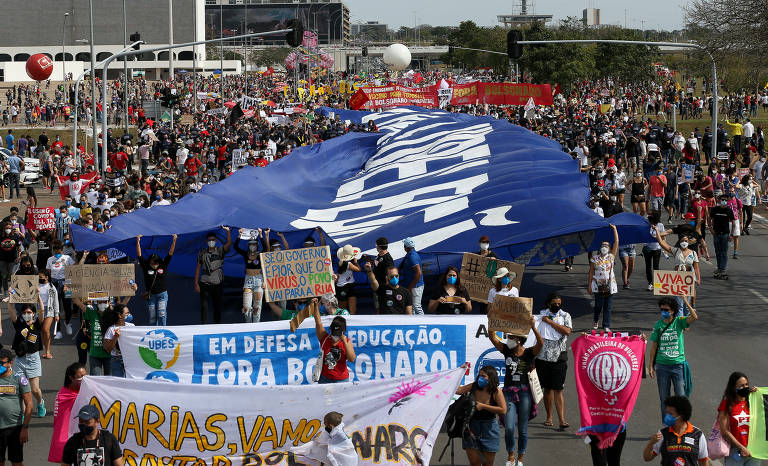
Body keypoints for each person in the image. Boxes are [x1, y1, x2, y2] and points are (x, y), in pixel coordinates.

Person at [488, 316, 542, 466]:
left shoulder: (529, 353)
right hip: (508, 394)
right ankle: (510, 455)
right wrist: (491, 320)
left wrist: (533, 327)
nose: (508, 339)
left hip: (524, 393)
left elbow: (541, 343)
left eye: (510, 337)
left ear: (518, 339)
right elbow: (492, 337)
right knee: (510, 427)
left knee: (523, 428)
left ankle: (520, 459)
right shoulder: (507, 350)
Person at [649, 297, 699, 421]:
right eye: (661, 309)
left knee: (681, 399)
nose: (663, 312)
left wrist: (685, 300)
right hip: (662, 367)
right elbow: (654, 346)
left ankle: (681, 425)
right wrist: (650, 366)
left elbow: (694, 317)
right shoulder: (658, 325)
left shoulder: (679, 321)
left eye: (666, 309)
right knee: (664, 399)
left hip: (678, 366)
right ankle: (666, 426)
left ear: (672, 311)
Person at [456, 366, 507, 466]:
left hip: (489, 429)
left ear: (491, 377)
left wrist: (483, 406)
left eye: (483, 376)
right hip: (472, 428)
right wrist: (460, 373)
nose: (480, 378)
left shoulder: (496, 391)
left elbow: (503, 410)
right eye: (479, 375)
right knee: (474, 462)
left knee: (488, 464)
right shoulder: (474, 386)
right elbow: (458, 390)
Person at [536, 293, 573, 430]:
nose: (557, 306)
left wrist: (550, 322)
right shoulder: (541, 315)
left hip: (559, 358)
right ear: (548, 304)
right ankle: (549, 417)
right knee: (548, 389)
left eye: (559, 303)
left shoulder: (565, 316)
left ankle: (562, 420)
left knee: (558, 389)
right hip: (543, 357)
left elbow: (567, 331)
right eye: (554, 303)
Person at [643, 396, 709, 465]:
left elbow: (703, 461)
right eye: (666, 413)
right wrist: (651, 443)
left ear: (682, 415)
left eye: (671, 414)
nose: (667, 416)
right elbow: (647, 458)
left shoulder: (697, 435)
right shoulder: (662, 434)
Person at [717, 372, 760, 465]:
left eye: (746, 384)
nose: (745, 387)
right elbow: (724, 431)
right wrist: (741, 447)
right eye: (741, 386)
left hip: (754, 450)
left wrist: (759, 395)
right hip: (735, 451)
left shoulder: (753, 400)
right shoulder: (727, 403)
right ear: (733, 388)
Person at [655, 228, 701, 312]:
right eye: (683, 241)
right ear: (679, 242)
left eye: (686, 241)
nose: (684, 242)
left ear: (689, 242)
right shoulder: (675, 251)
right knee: (679, 304)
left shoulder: (693, 253)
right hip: (678, 280)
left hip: (688, 280)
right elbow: (661, 243)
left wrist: (698, 279)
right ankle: (679, 323)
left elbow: (696, 267)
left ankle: (685, 323)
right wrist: (657, 231)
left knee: (687, 305)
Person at [0, 348, 32, 466]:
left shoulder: (19, 379)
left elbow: (29, 405)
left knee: (17, 462)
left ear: (10, 363)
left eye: (1, 363)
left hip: (14, 428)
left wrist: (25, 428)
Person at [48, 362, 85, 464]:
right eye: (81, 376)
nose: (84, 379)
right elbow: (61, 423)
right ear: (71, 378)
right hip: (68, 438)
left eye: (85, 375)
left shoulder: (85, 392)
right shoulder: (63, 396)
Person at [137, 233, 177, 326]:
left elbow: (170, 253)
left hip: (162, 294)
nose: (154, 264)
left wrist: (174, 240)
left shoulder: (163, 264)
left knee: (162, 314)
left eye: (155, 262)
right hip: (151, 296)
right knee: (152, 316)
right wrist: (138, 241)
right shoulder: (146, 266)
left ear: (159, 261)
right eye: (152, 262)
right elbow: (139, 255)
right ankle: (153, 334)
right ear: (149, 261)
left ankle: (163, 332)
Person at [312, 299, 355, 383]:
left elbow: (351, 359)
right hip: (325, 379)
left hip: (341, 380)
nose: (335, 336)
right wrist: (316, 307)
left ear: (343, 331)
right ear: (330, 330)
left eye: (337, 334)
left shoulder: (346, 341)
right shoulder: (324, 337)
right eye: (333, 333)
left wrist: (345, 343)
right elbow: (318, 322)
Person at [194, 226, 232, 324]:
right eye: (209, 240)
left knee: (217, 306)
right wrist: (196, 283)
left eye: (213, 240)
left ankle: (217, 325)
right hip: (204, 283)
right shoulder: (202, 252)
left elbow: (228, 244)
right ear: (207, 241)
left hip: (217, 283)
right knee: (204, 306)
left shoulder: (220, 250)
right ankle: (204, 325)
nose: (211, 241)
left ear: (216, 241)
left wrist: (228, 232)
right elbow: (198, 268)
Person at [588, 225, 619, 332]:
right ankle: (596, 320)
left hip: (610, 285)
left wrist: (614, 229)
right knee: (598, 306)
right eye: (602, 245)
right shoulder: (594, 259)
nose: (604, 247)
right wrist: (589, 286)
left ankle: (606, 325)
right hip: (597, 285)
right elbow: (591, 272)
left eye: (606, 245)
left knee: (608, 307)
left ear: (609, 248)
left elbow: (616, 241)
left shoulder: (611, 257)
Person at [234, 229, 266, 323]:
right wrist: (239, 235)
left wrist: (261, 234)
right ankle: (248, 325)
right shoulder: (245, 254)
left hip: (259, 280)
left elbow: (266, 248)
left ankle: (256, 326)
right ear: (249, 245)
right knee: (246, 307)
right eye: (251, 244)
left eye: (254, 244)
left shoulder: (260, 254)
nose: (253, 246)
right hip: (248, 280)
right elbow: (235, 247)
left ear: (257, 245)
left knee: (257, 307)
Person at [46, 240, 76, 337]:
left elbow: (74, 269)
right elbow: (48, 273)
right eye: (55, 251)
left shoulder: (67, 258)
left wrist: (76, 256)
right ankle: (58, 330)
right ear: (53, 250)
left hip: (66, 283)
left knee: (68, 306)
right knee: (56, 307)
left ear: (62, 250)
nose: (57, 253)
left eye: (59, 251)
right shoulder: (50, 259)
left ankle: (67, 323)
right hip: (54, 284)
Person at [709, 194, 736, 279]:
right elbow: (709, 220)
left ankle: (722, 269)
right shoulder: (715, 209)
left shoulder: (729, 210)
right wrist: (711, 230)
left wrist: (731, 235)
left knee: (723, 252)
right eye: (722, 199)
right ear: (719, 200)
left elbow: (734, 223)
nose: (724, 201)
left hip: (725, 234)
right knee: (717, 252)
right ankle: (719, 267)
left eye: (725, 200)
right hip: (716, 234)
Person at [400, 238, 424, 315]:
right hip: (413, 286)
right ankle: (414, 323)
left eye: (404, 245)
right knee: (412, 307)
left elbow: (419, 273)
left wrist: (410, 287)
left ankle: (425, 322)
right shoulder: (409, 255)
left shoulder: (412, 256)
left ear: (406, 247)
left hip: (416, 286)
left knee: (417, 307)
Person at [335, 244, 361, 315]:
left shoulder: (340, 262)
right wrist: (355, 262)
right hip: (349, 286)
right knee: (352, 311)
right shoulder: (349, 264)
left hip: (341, 287)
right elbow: (359, 269)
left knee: (341, 311)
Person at [38, 270, 58, 359]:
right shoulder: (36, 286)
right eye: (38, 277)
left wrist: (56, 314)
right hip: (38, 310)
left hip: (49, 310)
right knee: (39, 330)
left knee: (45, 330)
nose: (39, 279)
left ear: (47, 277)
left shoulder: (52, 287)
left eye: (41, 277)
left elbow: (56, 301)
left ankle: (47, 351)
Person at [370, 237, 394, 313]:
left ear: (379, 247)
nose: (376, 247)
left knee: (383, 309)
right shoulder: (379, 256)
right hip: (377, 286)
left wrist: (387, 288)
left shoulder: (388, 258)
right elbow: (377, 264)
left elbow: (391, 274)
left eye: (376, 245)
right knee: (378, 308)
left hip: (383, 288)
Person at [643, 211, 665, 291]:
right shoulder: (646, 225)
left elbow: (663, 235)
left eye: (652, 218)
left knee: (656, 266)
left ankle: (657, 284)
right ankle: (650, 283)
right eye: (649, 218)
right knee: (648, 267)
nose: (650, 220)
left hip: (657, 248)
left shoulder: (660, 225)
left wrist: (657, 234)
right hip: (647, 248)